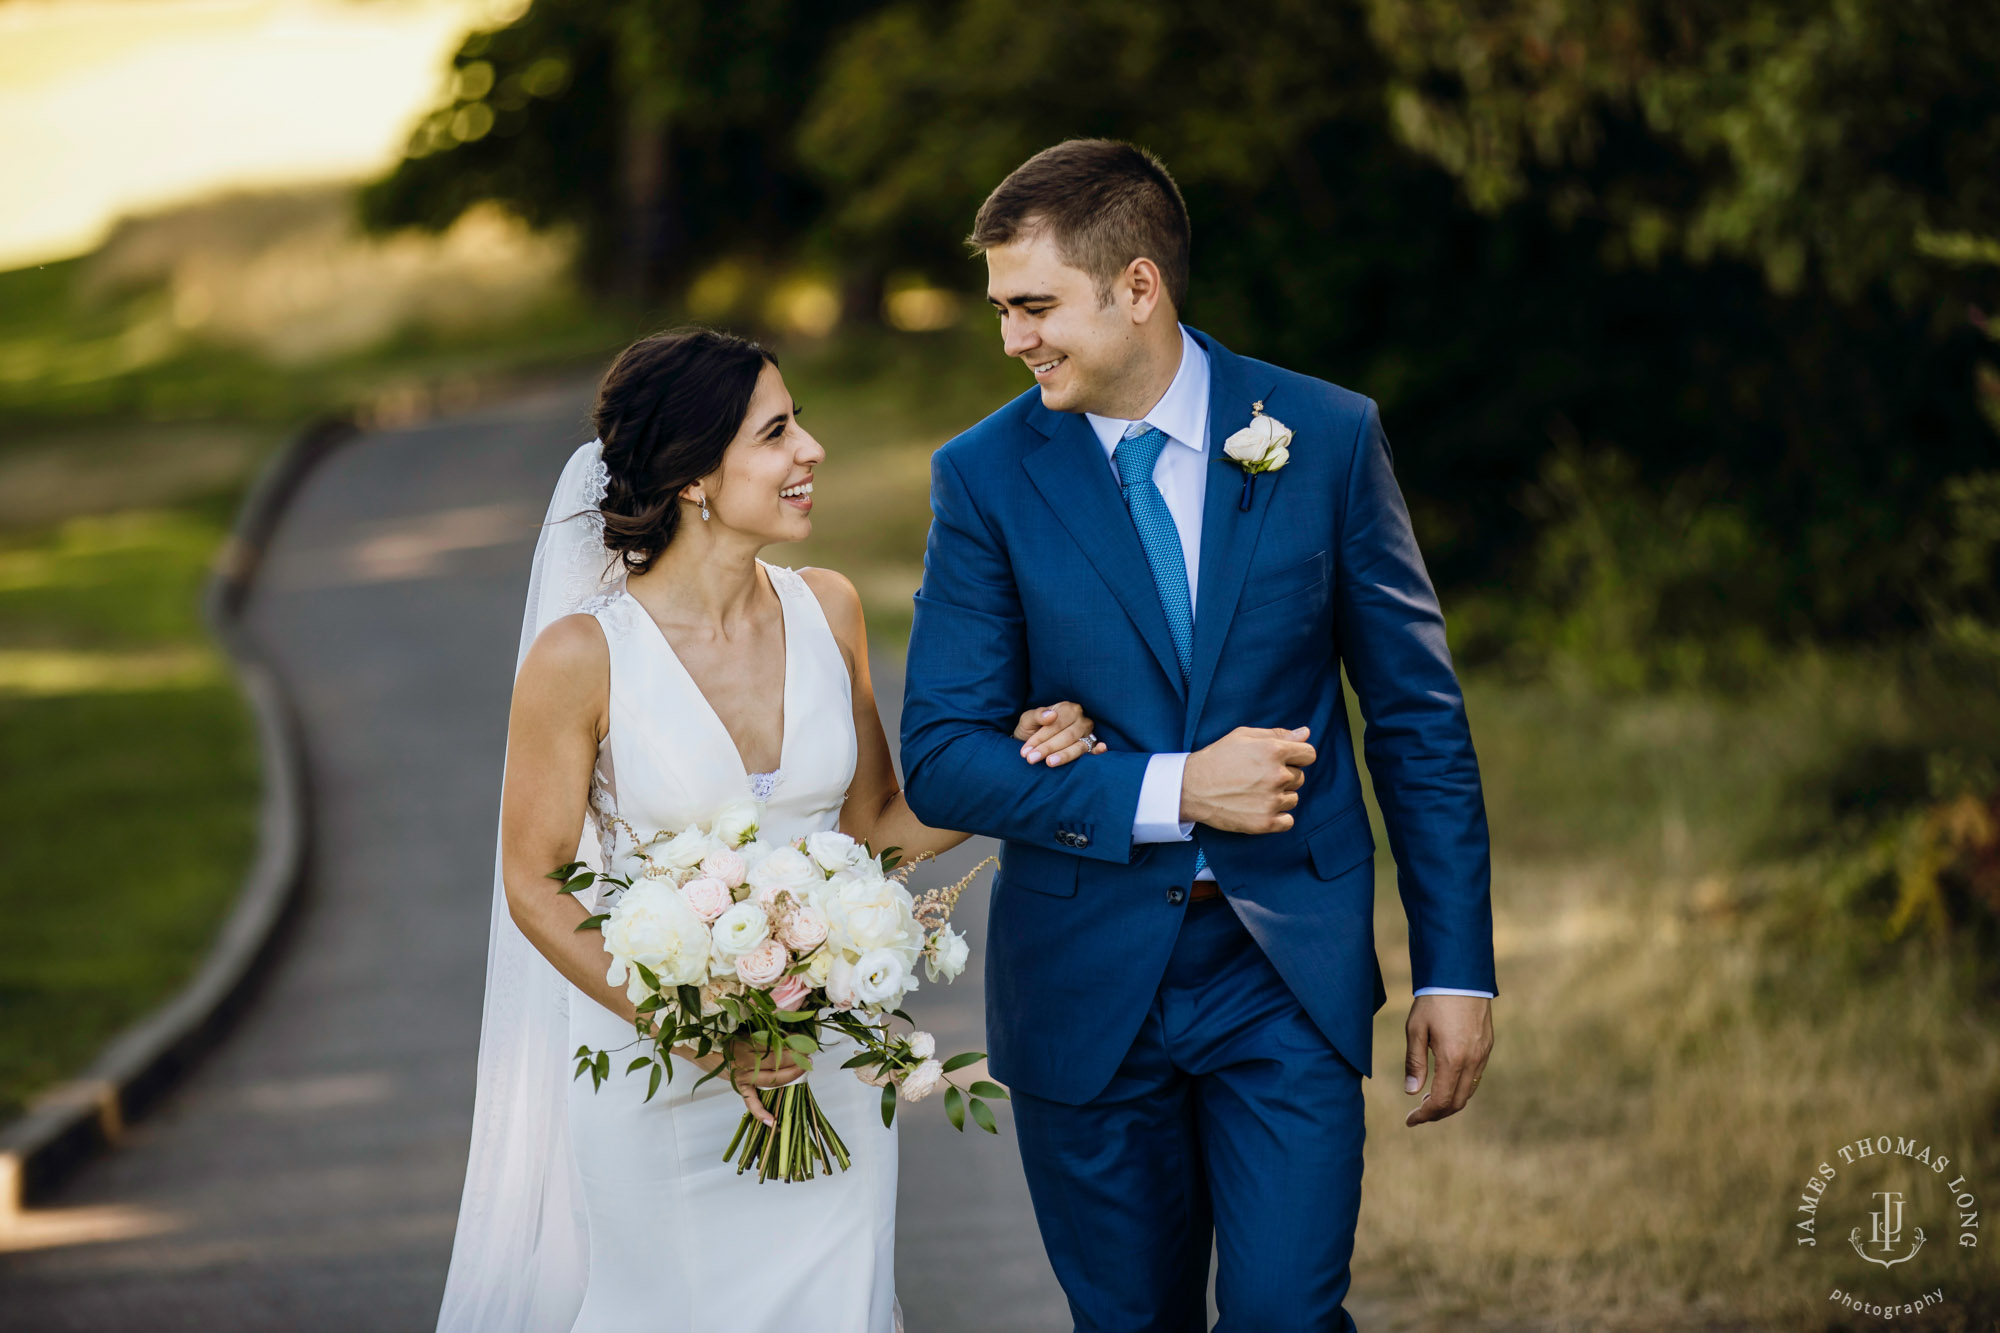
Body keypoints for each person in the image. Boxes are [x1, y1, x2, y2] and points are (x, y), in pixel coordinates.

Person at [899, 139, 1499, 1331]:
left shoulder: (1321, 436)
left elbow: (1416, 719)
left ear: (1136, 286)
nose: (1010, 337)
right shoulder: (982, 477)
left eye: (1033, 306)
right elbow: (940, 754)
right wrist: (1175, 787)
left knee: (1284, 1313)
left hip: (1282, 969)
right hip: (1083, 982)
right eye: (1001, 309)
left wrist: (1453, 964)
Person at [435, 327, 1105, 1333]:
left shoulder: (825, 608)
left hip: (827, 1063)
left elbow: (874, 826)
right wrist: (696, 1032)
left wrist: (1021, 764)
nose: (812, 451)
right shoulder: (581, 655)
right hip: (658, 1076)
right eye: (776, 432)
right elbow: (534, 881)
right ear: (696, 474)